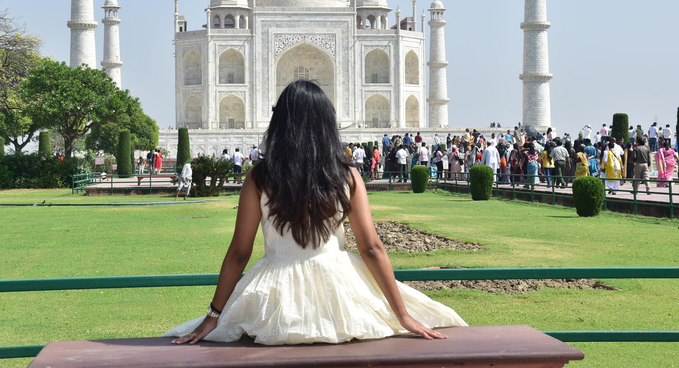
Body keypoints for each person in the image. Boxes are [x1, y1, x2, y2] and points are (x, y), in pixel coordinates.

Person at [164, 81, 466, 345]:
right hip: (340, 292)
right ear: (326, 123)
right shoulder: (345, 176)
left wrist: (213, 316)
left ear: (280, 122)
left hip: (277, 295)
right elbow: (371, 248)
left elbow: (239, 254)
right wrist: (403, 315)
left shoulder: (261, 177)